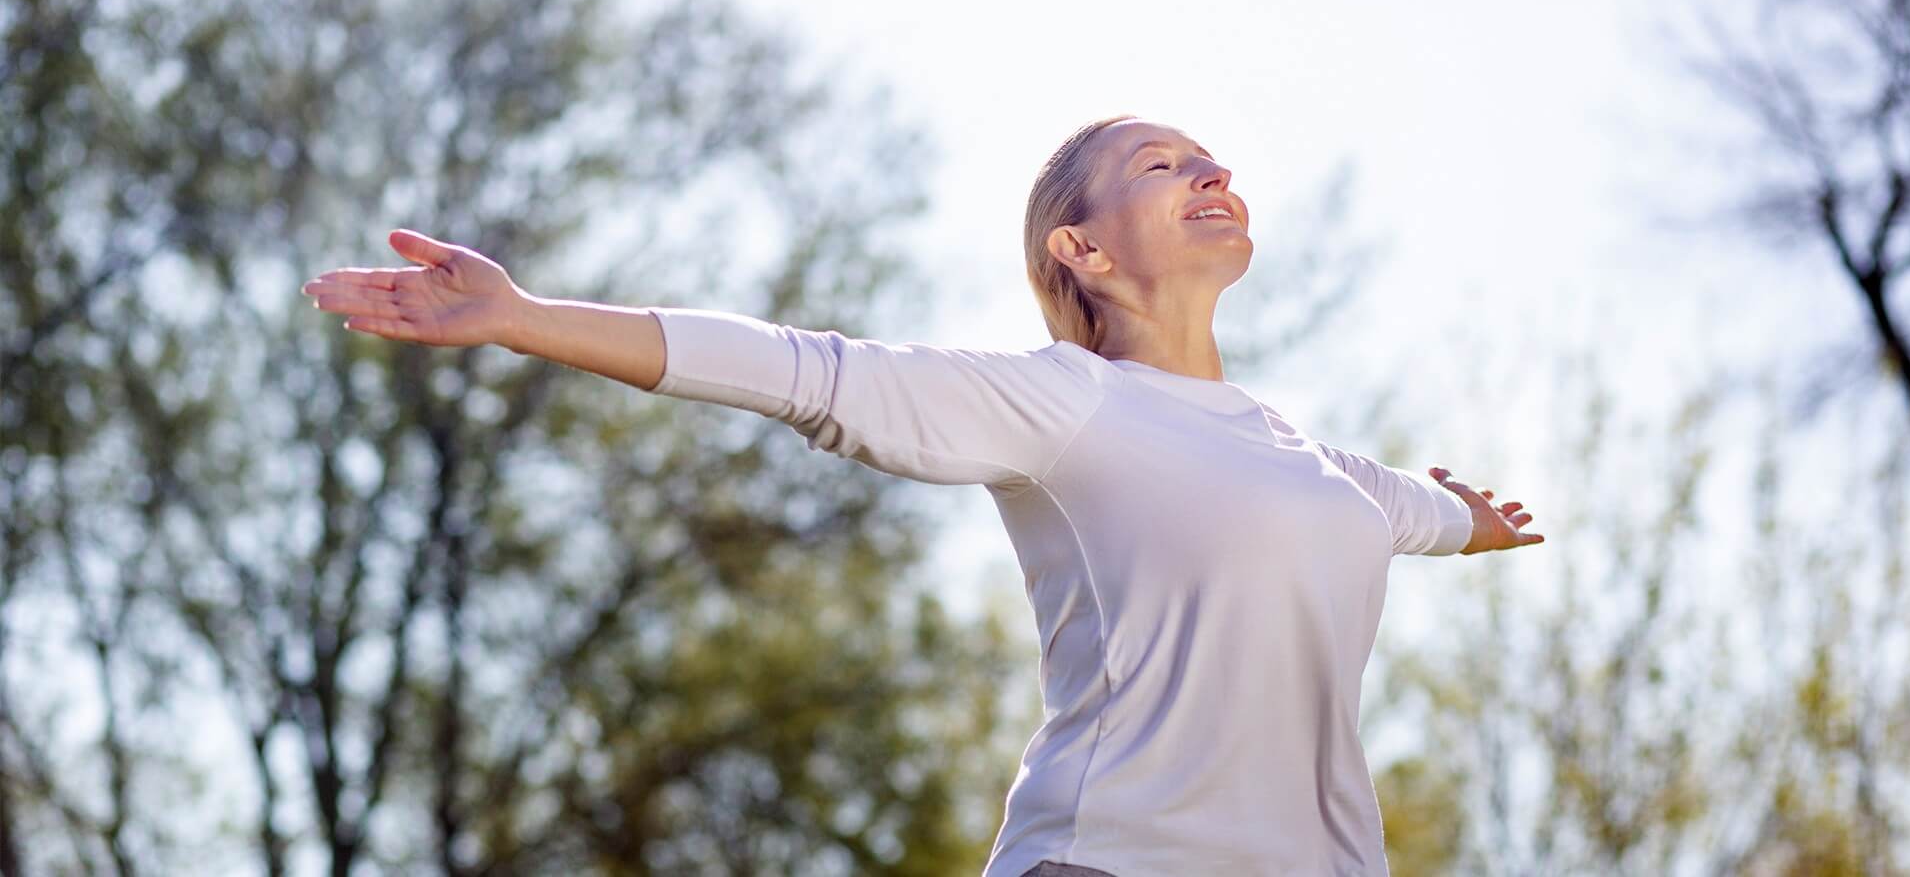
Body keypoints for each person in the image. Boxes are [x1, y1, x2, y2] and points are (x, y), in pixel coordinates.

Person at [301, 114, 1544, 877]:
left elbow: (1407, 511)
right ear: (1084, 249)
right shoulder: (1063, 400)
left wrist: (1473, 518)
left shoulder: (1311, 462)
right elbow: (808, 372)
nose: (1213, 169)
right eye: (1165, 163)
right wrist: (525, 318)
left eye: (1215, 156)